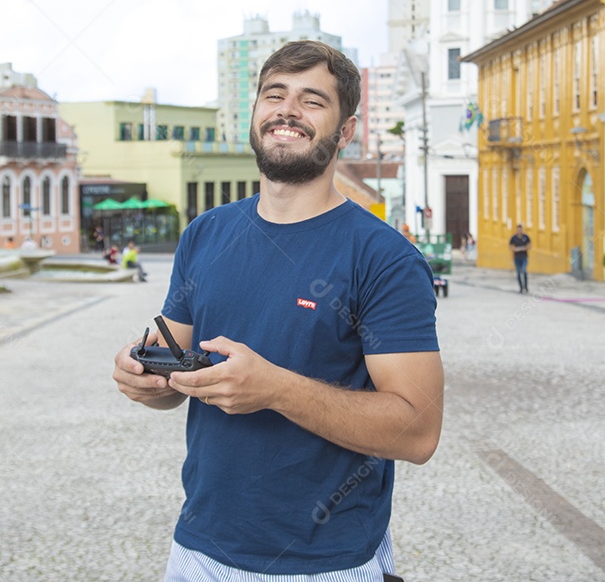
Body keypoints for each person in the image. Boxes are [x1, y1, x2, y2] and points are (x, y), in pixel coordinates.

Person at [113, 40, 443, 579]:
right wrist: (141, 377)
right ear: (256, 114)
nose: (287, 110)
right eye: (274, 94)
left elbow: (418, 431)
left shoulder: (385, 258)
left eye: (312, 100)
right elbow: (169, 379)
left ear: (346, 131)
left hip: (327, 562)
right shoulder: (206, 233)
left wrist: (274, 389)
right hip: (197, 550)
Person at [509, 223, 532, 293]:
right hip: (517, 258)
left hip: (524, 257)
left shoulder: (526, 237)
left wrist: (524, 248)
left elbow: (529, 246)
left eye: (520, 230)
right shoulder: (514, 238)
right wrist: (516, 249)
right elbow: (511, 247)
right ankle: (521, 287)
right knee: (519, 272)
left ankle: (526, 286)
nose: (519, 231)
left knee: (524, 271)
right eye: (518, 230)